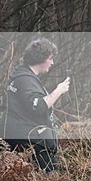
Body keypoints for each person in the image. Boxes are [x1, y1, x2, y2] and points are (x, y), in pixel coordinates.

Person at [3, 38, 70, 172]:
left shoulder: (22, 75)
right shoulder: (25, 79)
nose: (52, 62)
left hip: (21, 137)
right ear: (40, 58)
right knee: (48, 177)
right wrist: (58, 91)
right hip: (27, 141)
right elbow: (38, 107)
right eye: (50, 58)